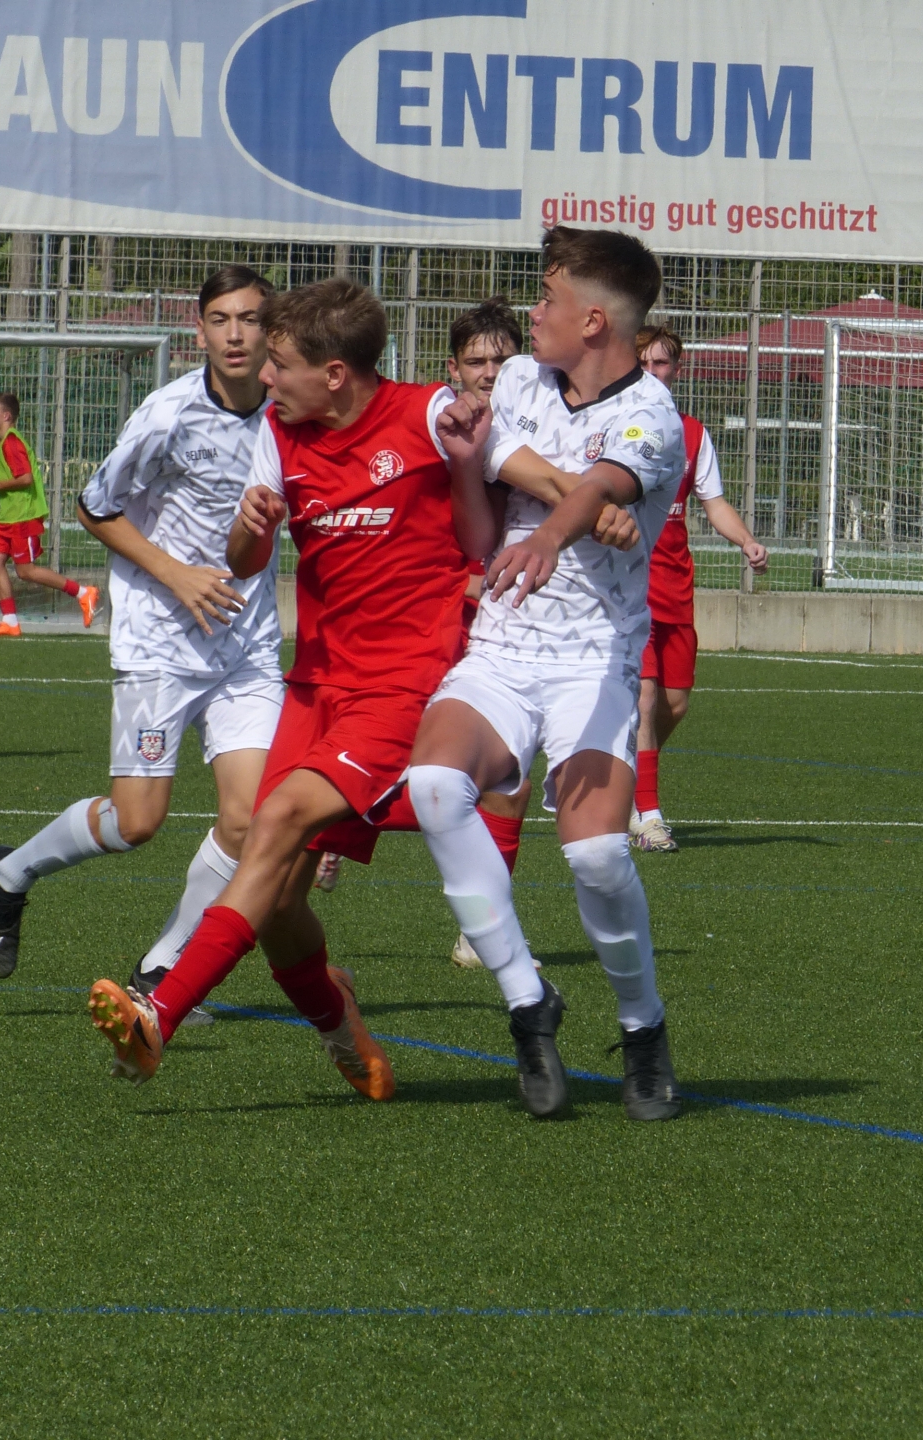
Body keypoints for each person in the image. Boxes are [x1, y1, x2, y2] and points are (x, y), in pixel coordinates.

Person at [85, 277, 498, 1100]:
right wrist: (251, 528)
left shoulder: (428, 415)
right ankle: (339, 1024)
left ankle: (158, 1012)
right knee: (275, 901)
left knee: (269, 825)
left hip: (402, 687)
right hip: (315, 684)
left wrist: (589, 503)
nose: (265, 377)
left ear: (334, 374)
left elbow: (520, 480)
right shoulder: (278, 433)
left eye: (280, 362)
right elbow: (244, 563)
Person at [403, 226, 686, 1122]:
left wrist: (559, 526)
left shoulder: (655, 416)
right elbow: (495, 489)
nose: (534, 311)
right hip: (502, 649)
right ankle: (529, 1002)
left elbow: (602, 484)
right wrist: (530, 485)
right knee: (433, 786)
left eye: (550, 297)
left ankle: (643, 1027)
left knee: (597, 855)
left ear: (593, 320)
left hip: (592, 663)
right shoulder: (523, 377)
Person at [0, 266, 283, 1014]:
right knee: (137, 821)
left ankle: (161, 967)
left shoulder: (291, 413)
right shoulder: (168, 414)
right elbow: (94, 505)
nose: (235, 334)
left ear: (271, 330)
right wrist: (177, 575)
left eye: (249, 319)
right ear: (199, 332)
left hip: (246, 646)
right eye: (220, 319)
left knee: (250, 819)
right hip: (158, 641)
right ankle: (11, 875)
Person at [307, 297, 539, 977]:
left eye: (503, 360)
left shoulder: (535, 426)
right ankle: (329, 822)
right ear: (453, 368)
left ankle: (479, 925)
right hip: (428, 622)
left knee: (507, 778)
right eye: (477, 360)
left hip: (502, 621)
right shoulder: (436, 426)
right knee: (417, 760)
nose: (490, 372)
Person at [627, 324, 768, 851]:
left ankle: (629, 775)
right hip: (628, 587)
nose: (652, 372)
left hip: (675, 587)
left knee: (675, 703)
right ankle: (648, 816)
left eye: (661, 363)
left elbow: (714, 502)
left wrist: (746, 541)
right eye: (642, 362)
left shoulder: (691, 432)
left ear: (676, 370)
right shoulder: (613, 426)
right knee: (643, 699)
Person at [0, 392, 100, 637]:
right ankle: (10, 621)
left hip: (22, 517)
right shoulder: (5, 442)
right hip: (8, 516)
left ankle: (83, 592)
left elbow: (26, 478)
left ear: (6, 416)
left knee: (26, 571)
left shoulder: (12, 443)